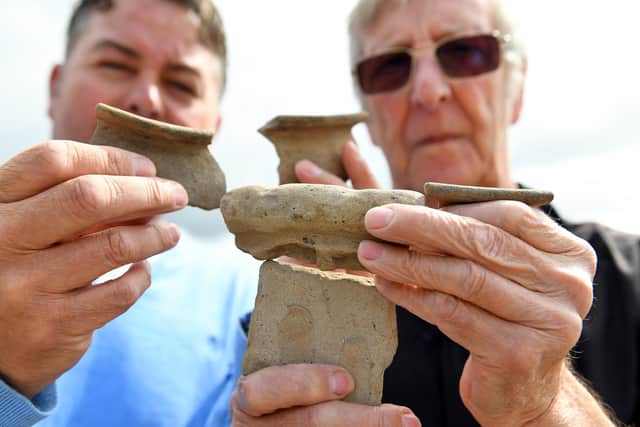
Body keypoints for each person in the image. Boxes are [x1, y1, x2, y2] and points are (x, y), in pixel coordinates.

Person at [230, 0, 639, 425]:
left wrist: (542, 406)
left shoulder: (632, 280)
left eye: (465, 52)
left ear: (516, 90)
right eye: (390, 66)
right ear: (368, 117)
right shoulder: (288, 311)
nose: (428, 91)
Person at [0, 0, 258, 426]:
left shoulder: (247, 294)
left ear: (213, 126)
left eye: (181, 84)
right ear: (55, 88)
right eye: (116, 65)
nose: (147, 100)